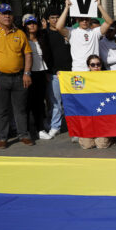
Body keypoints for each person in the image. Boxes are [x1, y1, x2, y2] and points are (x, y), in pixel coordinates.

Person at [0, 3, 33, 148]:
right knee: (1, 110)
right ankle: (2, 138)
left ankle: (24, 135)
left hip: (19, 77)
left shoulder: (19, 33)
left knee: (20, 109)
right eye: (3, 13)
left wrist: (27, 73)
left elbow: (28, 54)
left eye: (9, 13)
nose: (7, 16)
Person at [54, 0, 113, 71]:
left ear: (90, 20)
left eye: (87, 19)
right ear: (77, 20)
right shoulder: (72, 32)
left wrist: (99, 5)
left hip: (94, 69)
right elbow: (58, 27)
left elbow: (109, 22)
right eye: (82, 19)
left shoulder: (95, 32)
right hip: (78, 70)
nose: (84, 21)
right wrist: (66, 8)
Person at [23, 14, 52, 141]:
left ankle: (40, 129)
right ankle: (27, 130)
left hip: (41, 73)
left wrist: (46, 72)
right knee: (27, 104)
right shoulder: (22, 38)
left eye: (34, 23)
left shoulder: (42, 38)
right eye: (29, 23)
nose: (32, 25)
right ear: (24, 25)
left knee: (39, 104)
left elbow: (45, 57)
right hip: (27, 74)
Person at [43, 7, 72, 138]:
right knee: (55, 102)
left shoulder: (67, 32)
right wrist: (48, 72)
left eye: (57, 17)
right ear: (48, 20)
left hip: (70, 73)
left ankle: (74, 127)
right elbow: (43, 55)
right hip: (54, 74)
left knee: (71, 102)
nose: (55, 20)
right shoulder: (44, 34)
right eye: (52, 18)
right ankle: (55, 126)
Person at [78, 55, 113, 149]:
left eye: (98, 64)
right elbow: (72, 86)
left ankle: (111, 136)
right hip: (89, 117)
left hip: (103, 116)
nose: (96, 67)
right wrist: (61, 75)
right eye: (92, 65)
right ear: (89, 66)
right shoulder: (83, 78)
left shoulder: (108, 77)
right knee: (87, 145)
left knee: (102, 145)